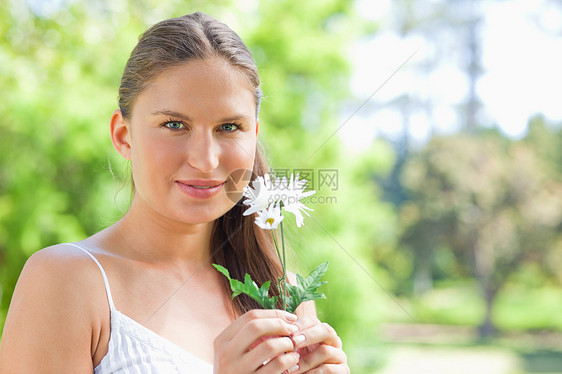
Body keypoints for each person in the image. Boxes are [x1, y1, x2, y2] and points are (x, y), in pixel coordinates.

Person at [0, 12, 349, 374]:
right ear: (124, 135)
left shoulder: (284, 292)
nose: (205, 159)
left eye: (229, 127)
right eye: (174, 125)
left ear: (254, 134)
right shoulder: (65, 281)